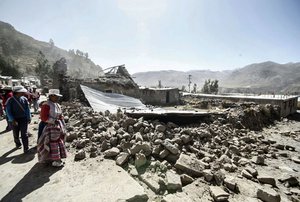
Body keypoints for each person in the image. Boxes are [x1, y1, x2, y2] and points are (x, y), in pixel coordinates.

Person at [37, 89, 67, 167]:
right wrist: (53, 121)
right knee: (48, 142)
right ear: (51, 96)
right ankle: (50, 159)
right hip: (47, 126)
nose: (58, 98)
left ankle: (55, 158)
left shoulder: (57, 104)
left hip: (56, 126)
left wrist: (61, 120)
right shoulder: (46, 105)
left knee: (57, 142)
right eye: (56, 96)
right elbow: (43, 117)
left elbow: (60, 115)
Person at [5, 86, 31, 153]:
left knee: (24, 134)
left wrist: (29, 117)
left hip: (23, 119)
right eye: (21, 92)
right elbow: (8, 111)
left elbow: (27, 109)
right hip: (14, 119)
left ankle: (26, 148)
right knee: (16, 133)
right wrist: (12, 120)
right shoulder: (10, 100)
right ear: (17, 92)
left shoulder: (24, 99)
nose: (23, 93)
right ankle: (18, 144)